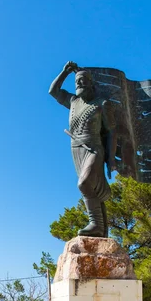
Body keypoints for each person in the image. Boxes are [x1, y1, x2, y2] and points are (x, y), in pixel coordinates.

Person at [49, 61, 117, 238]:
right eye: (77, 80)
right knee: (92, 189)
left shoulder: (102, 103)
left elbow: (111, 132)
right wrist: (64, 72)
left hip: (94, 148)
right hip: (76, 149)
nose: (79, 83)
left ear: (91, 83)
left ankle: (95, 223)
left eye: (83, 79)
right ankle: (101, 231)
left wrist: (110, 159)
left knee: (84, 183)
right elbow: (53, 92)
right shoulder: (73, 101)